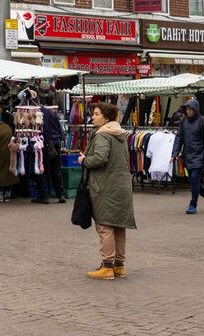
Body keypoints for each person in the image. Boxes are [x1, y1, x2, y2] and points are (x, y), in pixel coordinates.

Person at [80, 102, 136, 280]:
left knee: (104, 226)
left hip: (106, 187)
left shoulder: (103, 135)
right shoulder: (119, 134)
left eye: (96, 114)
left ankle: (107, 267)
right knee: (118, 225)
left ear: (106, 117)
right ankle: (119, 266)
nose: (93, 117)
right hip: (121, 186)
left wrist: (84, 160)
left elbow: (100, 158)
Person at [171, 99, 204, 214]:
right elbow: (178, 138)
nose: (189, 111)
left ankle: (193, 204)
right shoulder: (183, 122)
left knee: (195, 179)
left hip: (199, 156)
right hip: (187, 156)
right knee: (193, 181)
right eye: (187, 109)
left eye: (191, 109)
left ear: (196, 109)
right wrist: (174, 153)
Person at [40, 102, 67, 204]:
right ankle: (60, 194)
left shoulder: (39, 114)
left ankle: (44, 196)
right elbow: (60, 130)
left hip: (46, 143)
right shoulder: (51, 113)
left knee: (43, 169)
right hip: (56, 143)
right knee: (56, 169)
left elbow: (45, 131)